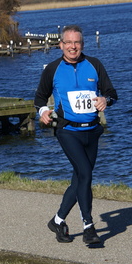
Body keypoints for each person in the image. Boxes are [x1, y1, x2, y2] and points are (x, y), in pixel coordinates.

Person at [34, 25, 118, 245]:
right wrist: (43, 112)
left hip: (92, 131)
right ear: (61, 45)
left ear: (82, 44)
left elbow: (111, 93)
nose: (73, 47)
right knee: (86, 175)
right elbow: (39, 98)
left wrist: (105, 100)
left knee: (79, 178)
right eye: (68, 42)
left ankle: (58, 220)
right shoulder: (52, 69)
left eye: (77, 42)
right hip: (68, 131)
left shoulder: (94, 65)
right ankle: (88, 226)